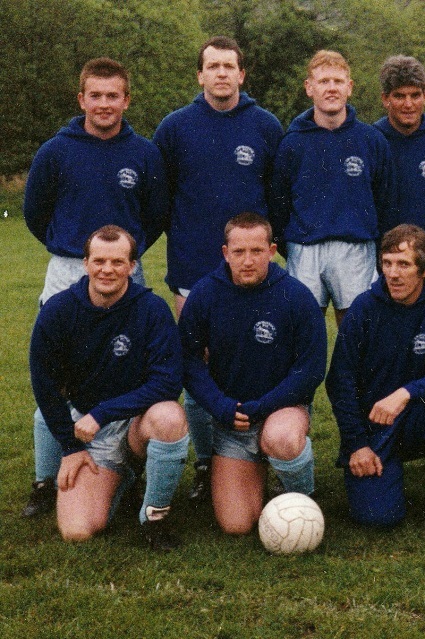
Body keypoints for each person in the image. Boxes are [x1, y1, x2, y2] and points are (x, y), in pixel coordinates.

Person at [22, 57, 169, 518]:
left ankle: (126, 460)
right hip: (70, 265)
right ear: (81, 98)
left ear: (126, 100)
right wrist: (71, 249)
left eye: (113, 96)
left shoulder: (143, 152)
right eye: (96, 95)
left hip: (125, 265)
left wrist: (124, 254)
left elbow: (156, 214)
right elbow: (34, 212)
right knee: (56, 372)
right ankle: (48, 478)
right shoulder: (55, 151)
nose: (104, 104)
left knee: (128, 366)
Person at [153, 36, 285, 502]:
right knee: (198, 365)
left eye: (230, 65)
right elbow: (158, 196)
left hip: (252, 272)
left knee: (253, 356)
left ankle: (260, 454)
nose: (222, 73)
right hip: (194, 268)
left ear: (242, 74)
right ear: (200, 75)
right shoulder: (175, 128)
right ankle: (208, 462)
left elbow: (278, 195)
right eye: (213, 66)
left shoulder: (266, 126)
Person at [29, 225, 188, 550]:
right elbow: (44, 385)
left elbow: (169, 382)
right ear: (85, 263)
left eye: (117, 262)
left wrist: (104, 413)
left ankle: (153, 520)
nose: (107, 270)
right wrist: (71, 448)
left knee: (170, 417)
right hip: (85, 428)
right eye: (99, 261)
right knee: (78, 530)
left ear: (132, 266)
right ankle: (116, 481)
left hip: (133, 423)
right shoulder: (58, 311)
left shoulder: (152, 309)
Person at [178, 213, 327, 535]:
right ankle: (254, 473)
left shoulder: (296, 296)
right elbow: (188, 360)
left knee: (282, 439)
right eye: (239, 252)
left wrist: (266, 405)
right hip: (233, 421)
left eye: (257, 251)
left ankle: (303, 497)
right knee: (237, 525)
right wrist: (219, 405)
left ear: (272, 250)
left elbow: (311, 369)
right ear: (225, 253)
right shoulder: (205, 294)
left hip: (281, 412)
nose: (248, 261)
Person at [326, 224, 425, 538]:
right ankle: (384, 470)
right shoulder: (364, 307)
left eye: (403, 264)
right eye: (387, 263)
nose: (393, 273)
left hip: (419, 414)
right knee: (379, 517)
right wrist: (358, 445)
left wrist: (406, 392)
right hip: (374, 425)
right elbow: (340, 381)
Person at [273, 50, 392, 326]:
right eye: (324, 81)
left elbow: (384, 200)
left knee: (356, 333)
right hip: (304, 248)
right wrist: (290, 244)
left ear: (349, 88)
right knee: (302, 331)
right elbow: (278, 202)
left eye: (338, 81)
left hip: (355, 248)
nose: (331, 88)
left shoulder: (371, 140)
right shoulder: (292, 143)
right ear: (309, 88)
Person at [374, 55, 425, 291]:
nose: (408, 104)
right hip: (383, 265)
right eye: (399, 96)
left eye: (415, 95)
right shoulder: (371, 141)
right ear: (385, 99)